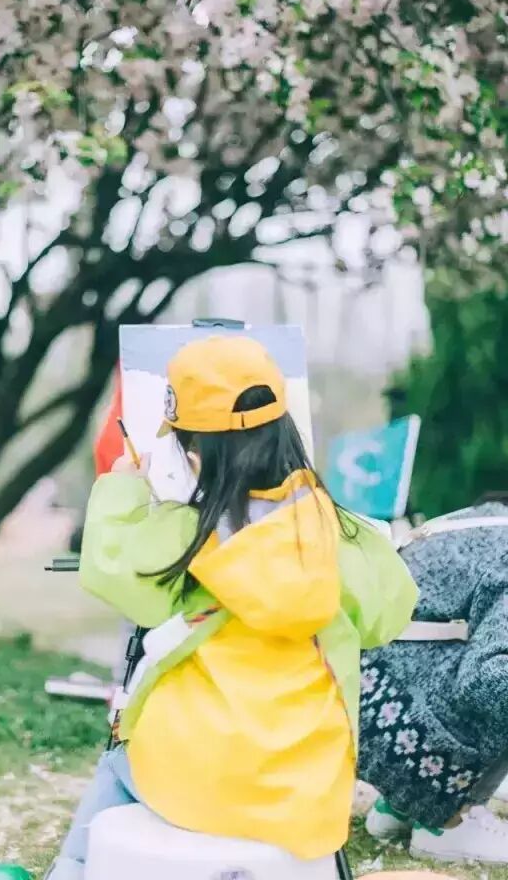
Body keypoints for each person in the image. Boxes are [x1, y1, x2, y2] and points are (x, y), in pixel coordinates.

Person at [46, 336, 417, 880]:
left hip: (191, 781)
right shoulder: (336, 532)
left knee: (117, 759)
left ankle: (72, 869)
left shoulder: (186, 534)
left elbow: (112, 570)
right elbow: (390, 614)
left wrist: (123, 489)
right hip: (302, 789)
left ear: (194, 452)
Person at [360, 496, 508, 864]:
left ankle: (398, 808)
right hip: (398, 724)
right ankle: (450, 823)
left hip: (358, 693)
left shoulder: (482, 520)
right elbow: (486, 679)